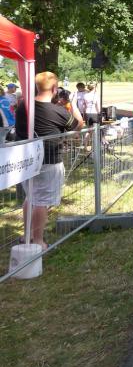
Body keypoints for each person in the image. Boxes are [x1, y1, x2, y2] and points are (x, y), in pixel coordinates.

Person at [15, 71, 84, 249]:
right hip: (49, 161)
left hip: (25, 160)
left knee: (31, 197)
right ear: (54, 88)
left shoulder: (23, 106)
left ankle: (27, 235)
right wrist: (73, 104)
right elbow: (78, 125)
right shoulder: (58, 111)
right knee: (42, 201)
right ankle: (38, 241)